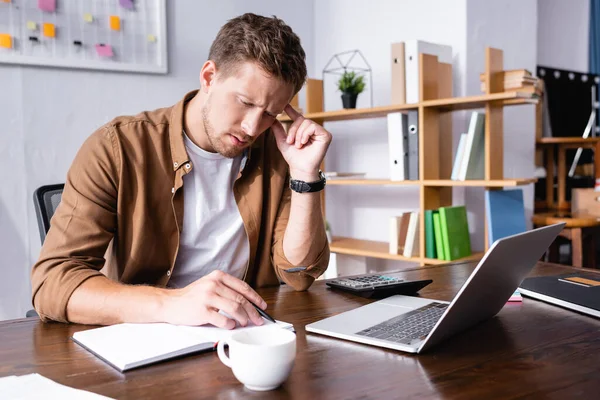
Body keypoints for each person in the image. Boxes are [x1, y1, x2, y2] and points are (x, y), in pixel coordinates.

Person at [30, 12, 331, 329]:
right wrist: (171, 304)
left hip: (241, 337)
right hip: (148, 339)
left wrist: (305, 177)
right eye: (244, 101)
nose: (252, 127)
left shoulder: (277, 154)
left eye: (270, 113)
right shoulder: (118, 148)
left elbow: (299, 275)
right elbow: (52, 283)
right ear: (208, 77)